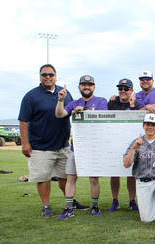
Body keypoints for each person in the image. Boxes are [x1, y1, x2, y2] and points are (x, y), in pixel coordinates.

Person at [18, 64, 88, 217]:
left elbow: (72, 110)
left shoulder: (65, 93)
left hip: (62, 145)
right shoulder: (31, 96)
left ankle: (70, 201)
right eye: (44, 75)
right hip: (40, 146)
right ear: (40, 76)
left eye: (51, 74)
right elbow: (23, 121)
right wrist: (25, 143)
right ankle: (46, 206)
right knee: (43, 178)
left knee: (66, 176)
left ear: (55, 76)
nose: (48, 77)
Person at [55, 75, 108, 219]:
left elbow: (102, 117)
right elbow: (59, 114)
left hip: (93, 147)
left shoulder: (101, 101)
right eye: (84, 84)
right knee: (71, 177)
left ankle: (95, 206)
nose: (86, 87)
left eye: (89, 84)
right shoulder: (73, 103)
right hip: (76, 147)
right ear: (79, 87)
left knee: (94, 178)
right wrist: (60, 99)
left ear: (94, 87)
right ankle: (68, 208)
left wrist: (84, 110)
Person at [123, 113, 155, 229]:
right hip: (142, 182)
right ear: (143, 125)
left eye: (153, 124)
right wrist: (134, 148)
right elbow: (126, 164)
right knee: (147, 219)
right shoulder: (136, 142)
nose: (150, 127)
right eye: (148, 124)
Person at [107, 78, 139, 212]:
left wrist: (132, 106)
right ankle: (115, 200)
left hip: (131, 142)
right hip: (114, 141)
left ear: (131, 91)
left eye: (126, 89)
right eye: (120, 89)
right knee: (114, 173)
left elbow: (136, 120)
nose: (123, 91)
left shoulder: (137, 103)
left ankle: (132, 200)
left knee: (131, 173)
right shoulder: (112, 103)